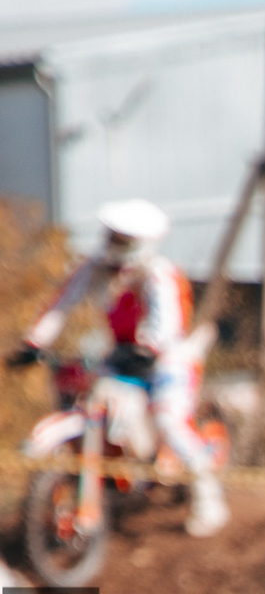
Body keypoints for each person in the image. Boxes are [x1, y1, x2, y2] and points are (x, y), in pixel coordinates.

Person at [12, 198, 229, 537]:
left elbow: (167, 322)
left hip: (166, 361)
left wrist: (149, 347)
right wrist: (33, 343)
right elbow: (62, 303)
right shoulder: (95, 267)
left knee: (169, 421)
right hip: (121, 357)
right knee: (87, 402)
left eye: (121, 238)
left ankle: (209, 501)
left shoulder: (159, 274)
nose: (112, 243)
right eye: (112, 235)